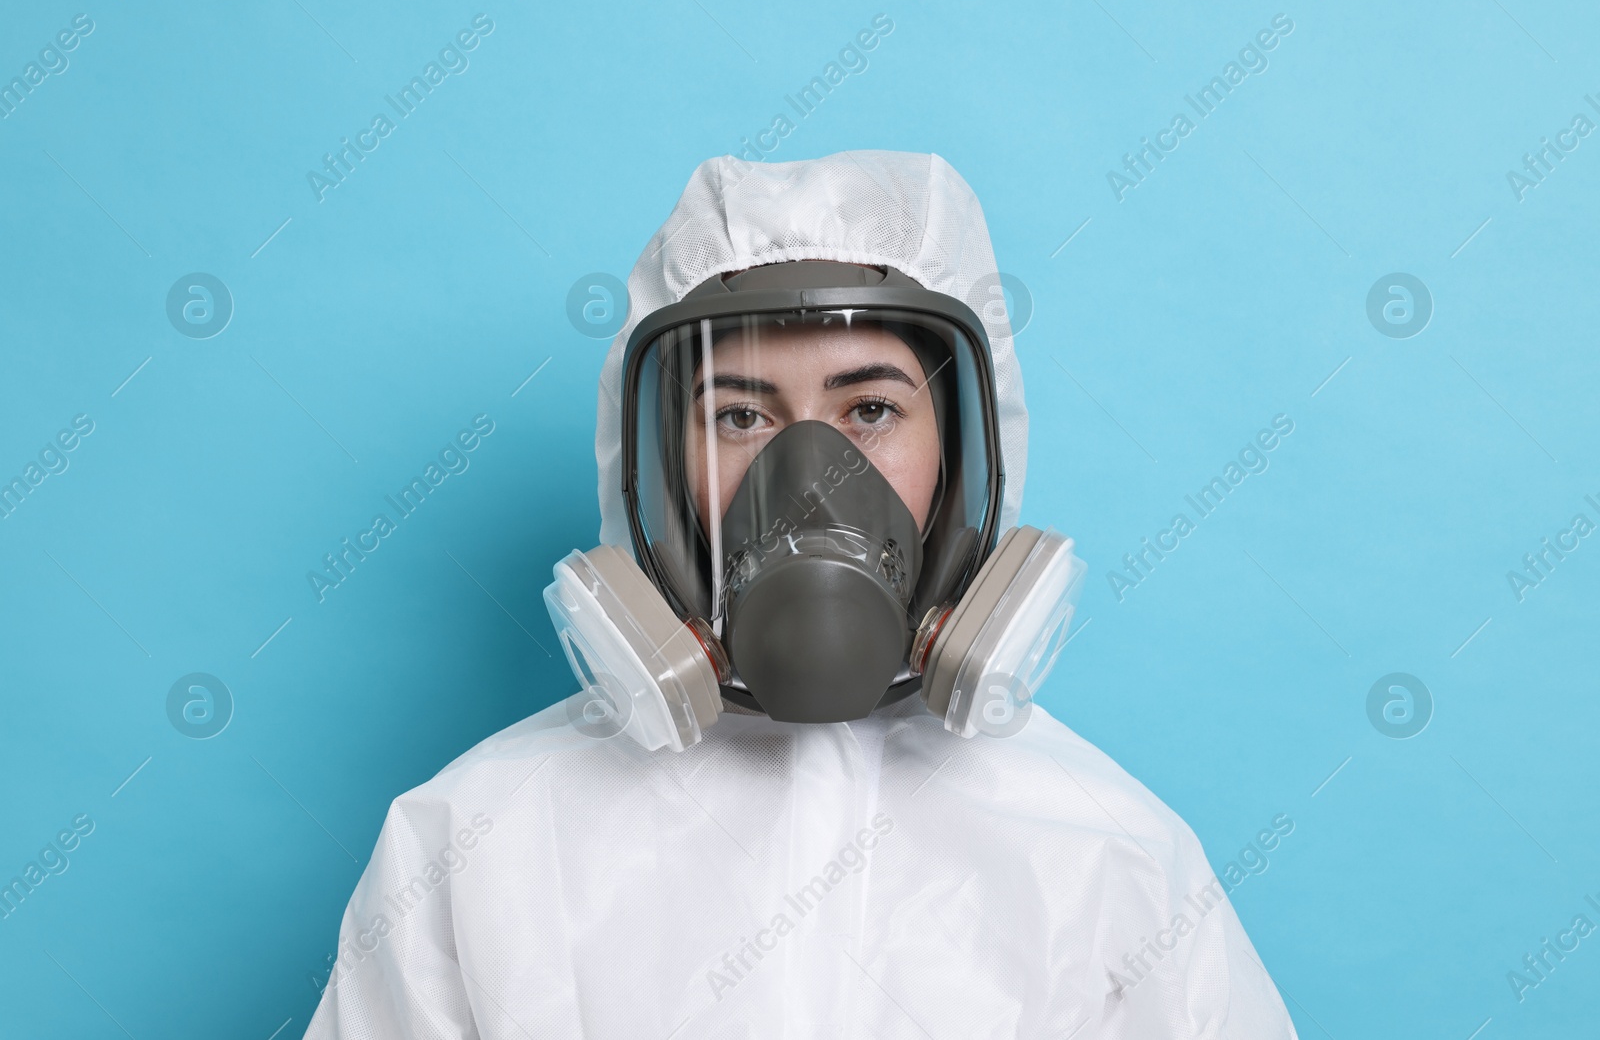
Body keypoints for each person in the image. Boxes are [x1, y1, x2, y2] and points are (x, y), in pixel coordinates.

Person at [303, 151, 1298, 1038]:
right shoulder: (480, 843)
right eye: (737, 414)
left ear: (961, 451)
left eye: (869, 408)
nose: (812, 476)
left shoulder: (1114, 860)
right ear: (651, 459)